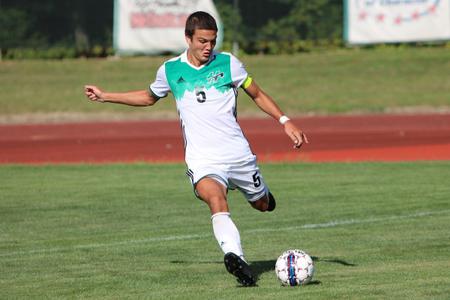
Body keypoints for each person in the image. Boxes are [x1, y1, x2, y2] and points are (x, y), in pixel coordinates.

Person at [84, 11, 308, 286]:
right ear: (187, 38)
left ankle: (261, 194)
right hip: (202, 158)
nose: (208, 47)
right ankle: (236, 259)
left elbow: (257, 94)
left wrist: (285, 121)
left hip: (237, 154)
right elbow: (148, 96)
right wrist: (106, 96)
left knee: (263, 205)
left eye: (212, 41)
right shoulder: (170, 70)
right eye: (202, 41)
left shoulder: (229, 64)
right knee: (216, 200)